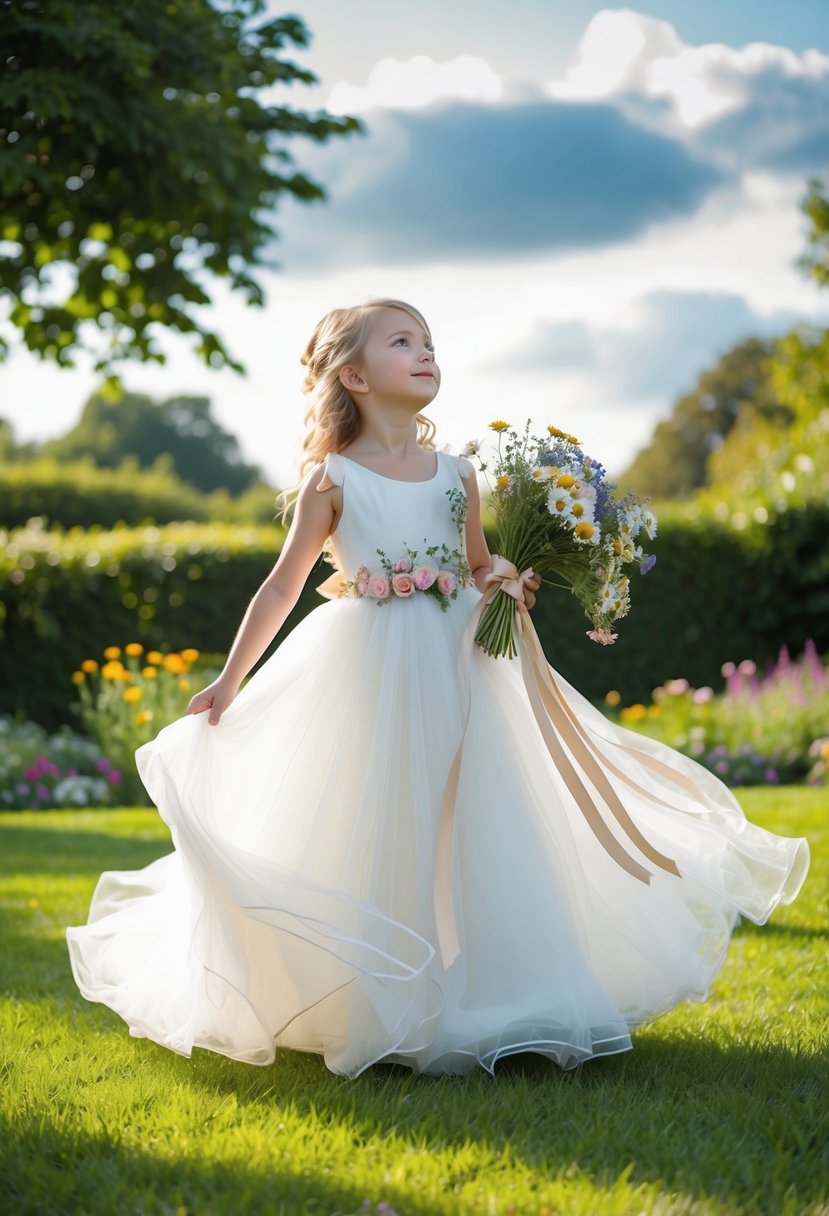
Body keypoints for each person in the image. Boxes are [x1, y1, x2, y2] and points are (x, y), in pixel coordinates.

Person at [66, 297, 810, 1077]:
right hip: (369, 666)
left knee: (483, 816)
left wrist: (510, 580)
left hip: (461, 659)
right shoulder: (334, 478)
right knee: (382, 814)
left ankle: (504, 993)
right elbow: (281, 589)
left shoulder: (458, 473)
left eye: (428, 341)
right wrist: (228, 679)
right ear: (353, 375)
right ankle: (377, 999)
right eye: (402, 342)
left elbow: (476, 562)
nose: (424, 352)